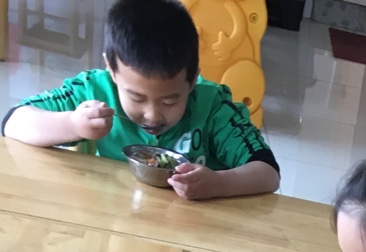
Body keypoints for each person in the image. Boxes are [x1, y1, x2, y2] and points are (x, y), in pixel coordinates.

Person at [2, 0, 279, 200]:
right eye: (136, 97)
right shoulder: (93, 90)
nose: (152, 115)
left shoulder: (214, 108)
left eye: (170, 101)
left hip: (193, 230)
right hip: (112, 221)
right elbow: (12, 122)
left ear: (193, 79)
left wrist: (218, 184)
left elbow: (268, 172)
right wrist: (72, 124)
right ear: (112, 71)